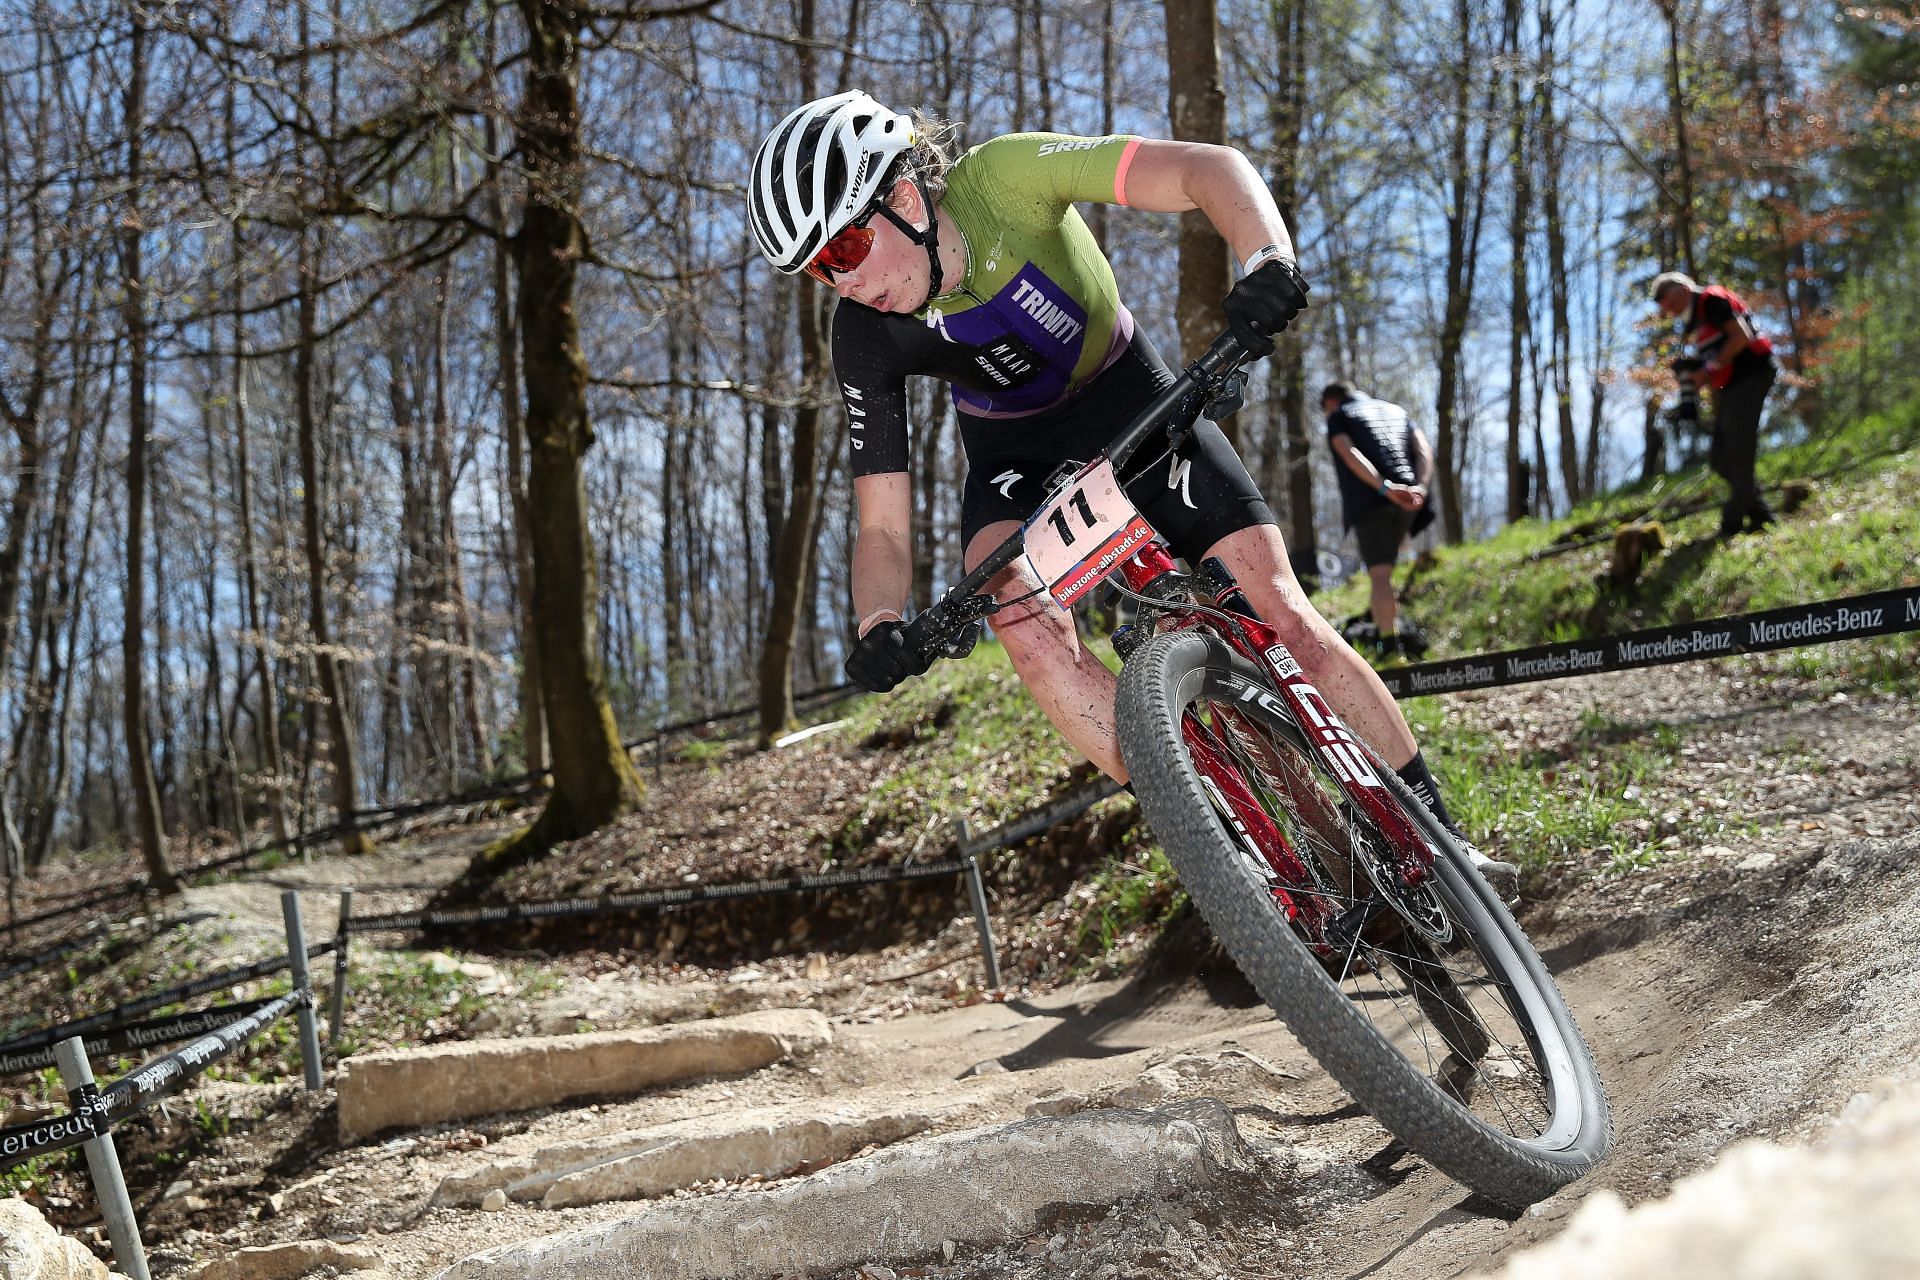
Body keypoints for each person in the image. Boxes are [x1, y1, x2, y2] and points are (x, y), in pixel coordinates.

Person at [746, 91, 1515, 892]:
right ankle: (1227, 844)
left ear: (901, 197)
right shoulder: (864, 334)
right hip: (1012, 452)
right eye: (817, 272)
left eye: (843, 250)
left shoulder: (1004, 178)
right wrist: (879, 623)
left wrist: (1267, 259)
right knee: (1015, 614)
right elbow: (884, 534)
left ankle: (1444, 848)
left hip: (1127, 393)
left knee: (1281, 611)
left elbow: (1204, 169)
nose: (840, 283)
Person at [1652, 271, 1777, 537]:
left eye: (1673, 306)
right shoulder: (1696, 319)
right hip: (1731, 386)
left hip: (1751, 376)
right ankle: (1761, 515)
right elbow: (1715, 353)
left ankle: (1731, 525)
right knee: (1720, 460)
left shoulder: (1711, 302)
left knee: (1737, 454)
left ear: (1683, 291)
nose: (1674, 313)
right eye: (1668, 310)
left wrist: (1706, 371)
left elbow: (1740, 337)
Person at [1320, 383, 1435, 658]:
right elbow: (1423, 451)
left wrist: (1384, 488)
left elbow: (1348, 451)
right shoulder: (1397, 411)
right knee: (1386, 570)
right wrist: (1420, 486)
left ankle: (1390, 649)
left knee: (1380, 574)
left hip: (1374, 500)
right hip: (1410, 498)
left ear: (1331, 401)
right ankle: (1385, 629)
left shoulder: (1340, 415)